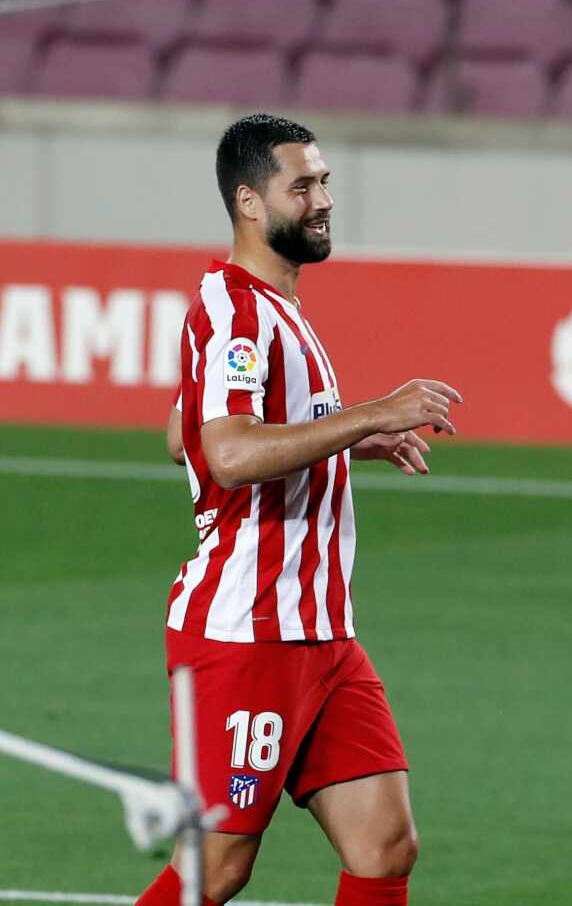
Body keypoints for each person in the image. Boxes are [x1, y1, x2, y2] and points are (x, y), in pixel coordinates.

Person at [134, 114, 462, 906]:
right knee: (217, 868)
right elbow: (228, 452)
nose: (322, 201)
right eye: (302, 186)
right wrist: (373, 414)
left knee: (383, 845)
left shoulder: (274, 311)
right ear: (250, 202)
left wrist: (345, 446)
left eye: (325, 183)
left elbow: (182, 434)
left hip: (321, 632)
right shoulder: (238, 310)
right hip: (250, 632)